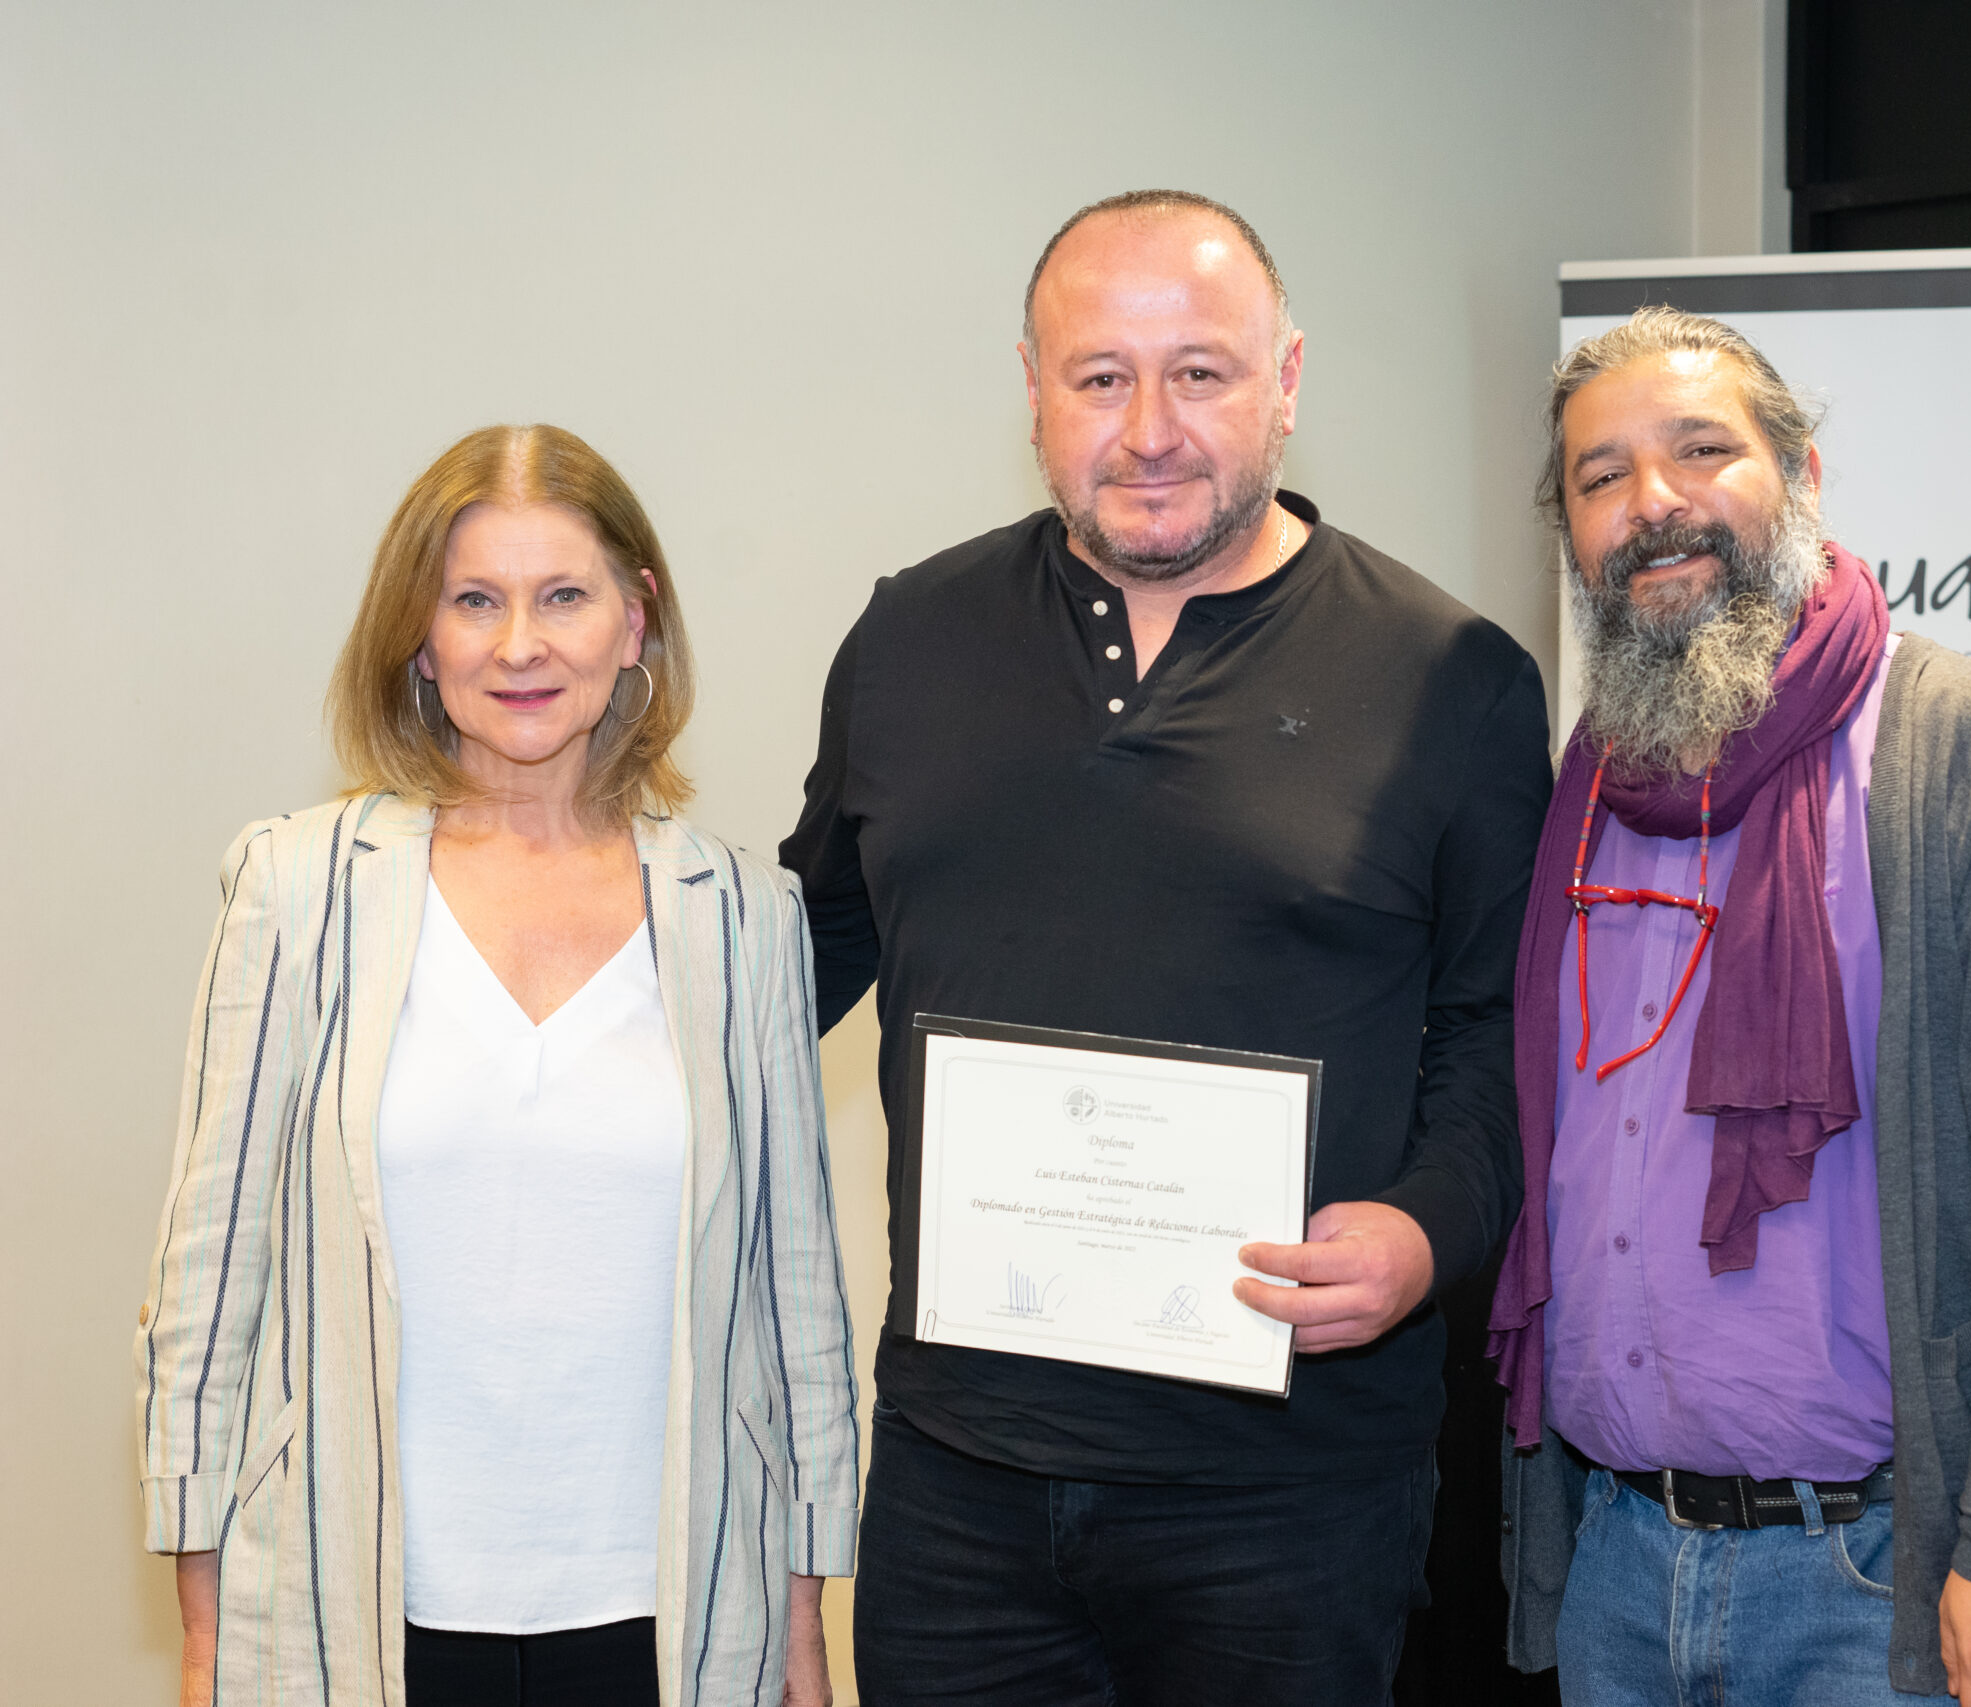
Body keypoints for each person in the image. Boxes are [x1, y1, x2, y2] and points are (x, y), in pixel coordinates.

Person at [779, 188, 1552, 1706]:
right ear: (1031, 389)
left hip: (1289, 1499)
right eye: (1100, 376)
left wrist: (1423, 1233)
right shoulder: (908, 639)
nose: (1149, 430)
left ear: (1287, 380)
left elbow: (1503, 1036)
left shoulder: (1449, 677)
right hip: (959, 1475)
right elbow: (792, 954)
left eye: (1200, 372)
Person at [1487, 307, 1971, 1707]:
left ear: (1800, 477)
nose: (1653, 501)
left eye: (1702, 450)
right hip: (1619, 1554)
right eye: (1601, 475)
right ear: (1572, 532)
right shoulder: (1590, 783)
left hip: (1877, 1578)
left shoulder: (1968, 757)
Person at [135, 425, 860, 1707]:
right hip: (351, 1611)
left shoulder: (744, 918)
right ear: (421, 638)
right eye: (475, 600)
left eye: (563, 596)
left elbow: (792, 1298)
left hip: (669, 1617)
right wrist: (205, 1637)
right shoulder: (297, 889)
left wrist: (802, 1620)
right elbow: (209, 1273)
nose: (520, 644)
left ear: (635, 622)